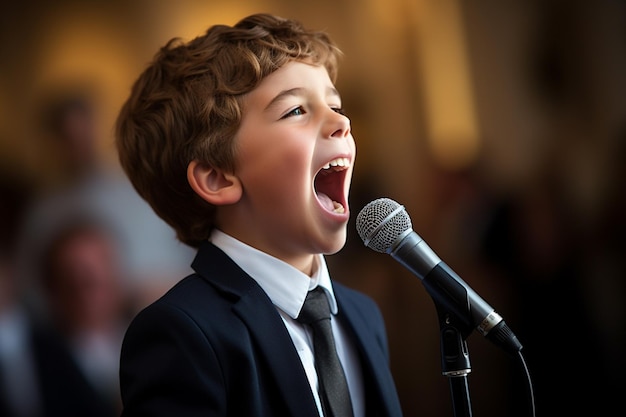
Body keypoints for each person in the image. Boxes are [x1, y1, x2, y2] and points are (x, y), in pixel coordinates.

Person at [115, 12, 403, 417]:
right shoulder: (184, 333)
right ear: (217, 177)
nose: (341, 122)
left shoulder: (362, 315)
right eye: (296, 111)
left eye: (335, 105)